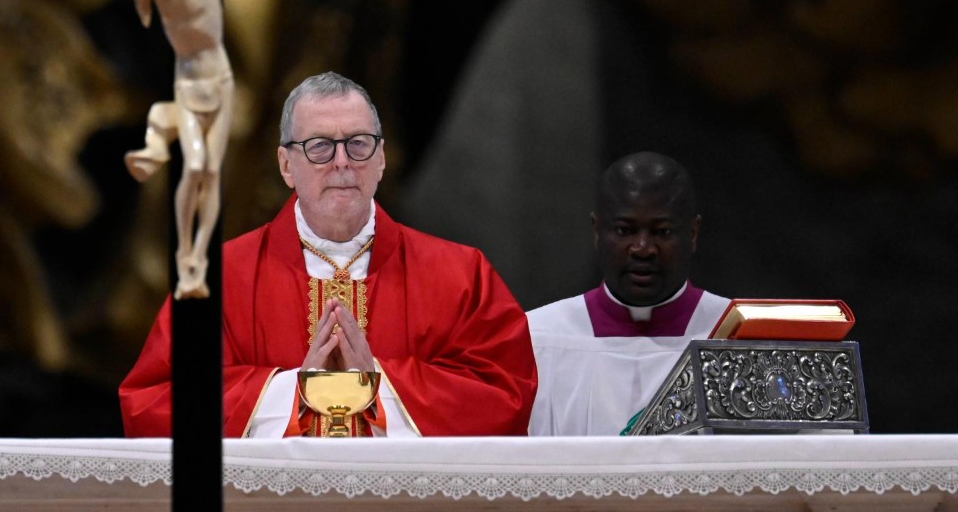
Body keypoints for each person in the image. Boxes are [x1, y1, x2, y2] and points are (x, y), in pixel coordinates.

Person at [119, 71, 537, 437]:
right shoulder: (220, 280)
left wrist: (380, 387)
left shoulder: (462, 276)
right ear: (286, 165)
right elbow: (154, 402)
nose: (341, 162)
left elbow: (506, 393)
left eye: (358, 144)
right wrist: (294, 391)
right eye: (319, 146)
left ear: (381, 159)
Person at [5, 0, 330, 299]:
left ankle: (195, 258)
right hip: (184, 85)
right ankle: (187, 255)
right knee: (186, 169)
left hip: (217, 87)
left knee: (202, 175)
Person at [525, 151, 730, 436]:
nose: (643, 248)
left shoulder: (735, 334)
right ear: (597, 231)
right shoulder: (536, 338)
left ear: (692, 233)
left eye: (662, 232)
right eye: (624, 231)